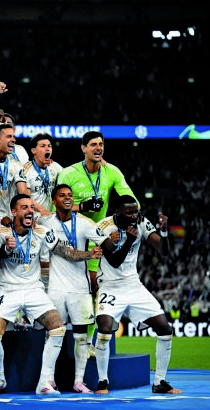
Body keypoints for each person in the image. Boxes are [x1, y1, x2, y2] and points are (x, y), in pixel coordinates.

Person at [0, 194, 102, 396]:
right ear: (14, 211)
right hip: (7, 289)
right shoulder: (1, 231)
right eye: (24, 207)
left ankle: (44, 382)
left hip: (33, 289)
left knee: (58, 328)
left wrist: (88, 255)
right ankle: (0, 378)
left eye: (32, 207)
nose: (30, 210)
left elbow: (64, 251)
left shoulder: (41, 231)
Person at [57, 131, 138, 356]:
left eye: (101, 144)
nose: (98, 148)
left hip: (96, 240)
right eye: (93, 144)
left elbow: (131, 201)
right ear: (83, 148)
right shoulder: (69, 173)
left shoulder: (111, 172)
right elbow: (57, 207)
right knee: (64, 292)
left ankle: (88, 345)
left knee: (94, 290)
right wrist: (81, 207)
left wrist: (121, 218)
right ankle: (57, 341)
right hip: (69, 239)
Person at [40, 184, 126, 393]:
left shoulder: (85, 223)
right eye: (62, 195)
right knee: (53, 335)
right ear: (54, 200)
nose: (67, 198)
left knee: (81, 337)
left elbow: (108, 246)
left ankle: (78, 381)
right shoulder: (45, 222)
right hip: (55, 288)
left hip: (80, 288)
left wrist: (114, 239)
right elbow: (62, 251)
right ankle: (48, 380)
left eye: (70, 195)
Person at [94, 195, 182, 394]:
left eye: (136, 211)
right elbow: (114, 261)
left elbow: (163, 251)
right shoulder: (103, 227)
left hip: (133, 285)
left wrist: (164, 232)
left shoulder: (141, 222)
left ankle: (160, 382)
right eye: (129, 212)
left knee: (165, 329)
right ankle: (103, 382)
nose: (134, 216)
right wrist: (129, 241)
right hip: (110, 285)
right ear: (117, 212)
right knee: (105, 329)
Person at [23, 133, 63, 217]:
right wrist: (42, 210)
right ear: (33, 151)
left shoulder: (55, 167)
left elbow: (68, 179)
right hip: (33, 217)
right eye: (43, 146)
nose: (47, 148)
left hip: (51, 216)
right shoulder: (26, 170)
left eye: (49, 146)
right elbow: (26, 198)